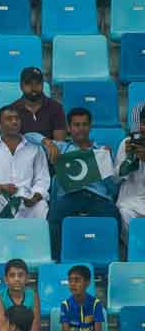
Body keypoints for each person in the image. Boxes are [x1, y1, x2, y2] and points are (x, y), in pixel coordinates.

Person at [0, 106, 50, 261]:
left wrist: (35, 197)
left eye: (17, 118)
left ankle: (36, 258)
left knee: (41, 208)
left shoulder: (35, 150)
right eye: (9, 119)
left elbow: (42, 179)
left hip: (27, 199)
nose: (14, 122)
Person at [47, 108, 120, 260]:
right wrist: (46, 142)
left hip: (97, 197)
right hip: (70, 196)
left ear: (90, 126)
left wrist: (104, 164)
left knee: (113, 216)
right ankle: (57, 260)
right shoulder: (61, 149)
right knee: (54, 216)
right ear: (69, 128)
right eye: (76, 125)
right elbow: (30, 136)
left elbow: (113, 188)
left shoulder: (101, 151)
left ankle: (108, 258)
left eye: (85, 124)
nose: (81, 129)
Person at [9, 67, 67, 164]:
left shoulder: (56, 108)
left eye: (37, 83)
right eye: (28, 83)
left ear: (43, 84)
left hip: (49, 160)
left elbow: (59, 144)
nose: (33, 87)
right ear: (21, 86)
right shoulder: (12, 110)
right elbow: (12, 142)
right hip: (21, 161)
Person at [60, 265, 105, 331]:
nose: (73, 284)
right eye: (70, 280)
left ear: (87, 283)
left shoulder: (96, 304)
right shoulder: (65, 305)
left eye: (77, 280)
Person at [115, 113, 145, 237]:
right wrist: (127, 161)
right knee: (124, 213)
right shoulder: (127, 143)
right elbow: (115, 179)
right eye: (144, 123)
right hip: (130, 203)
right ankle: (135, 247)